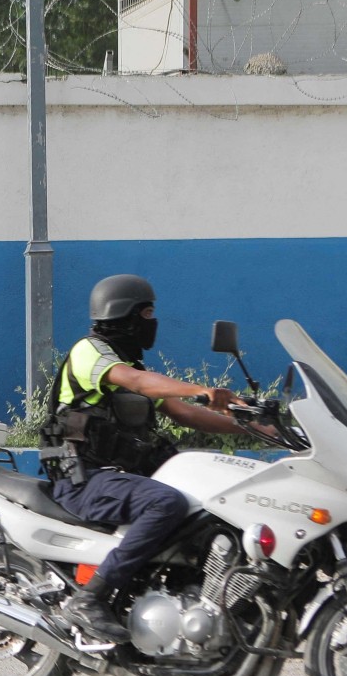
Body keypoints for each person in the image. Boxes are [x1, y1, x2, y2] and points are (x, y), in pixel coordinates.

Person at [43, 275, 250, 645]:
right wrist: (202, 388)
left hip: (117, 476)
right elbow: (140, 382)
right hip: (81, 478)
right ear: (124, 314)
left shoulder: (127, 361)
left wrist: (251, 427)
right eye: (148, 312)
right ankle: (89, 599)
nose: (153, 321)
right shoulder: (90, 353)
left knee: (213, 494)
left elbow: (183, 413)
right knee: (165, 502)